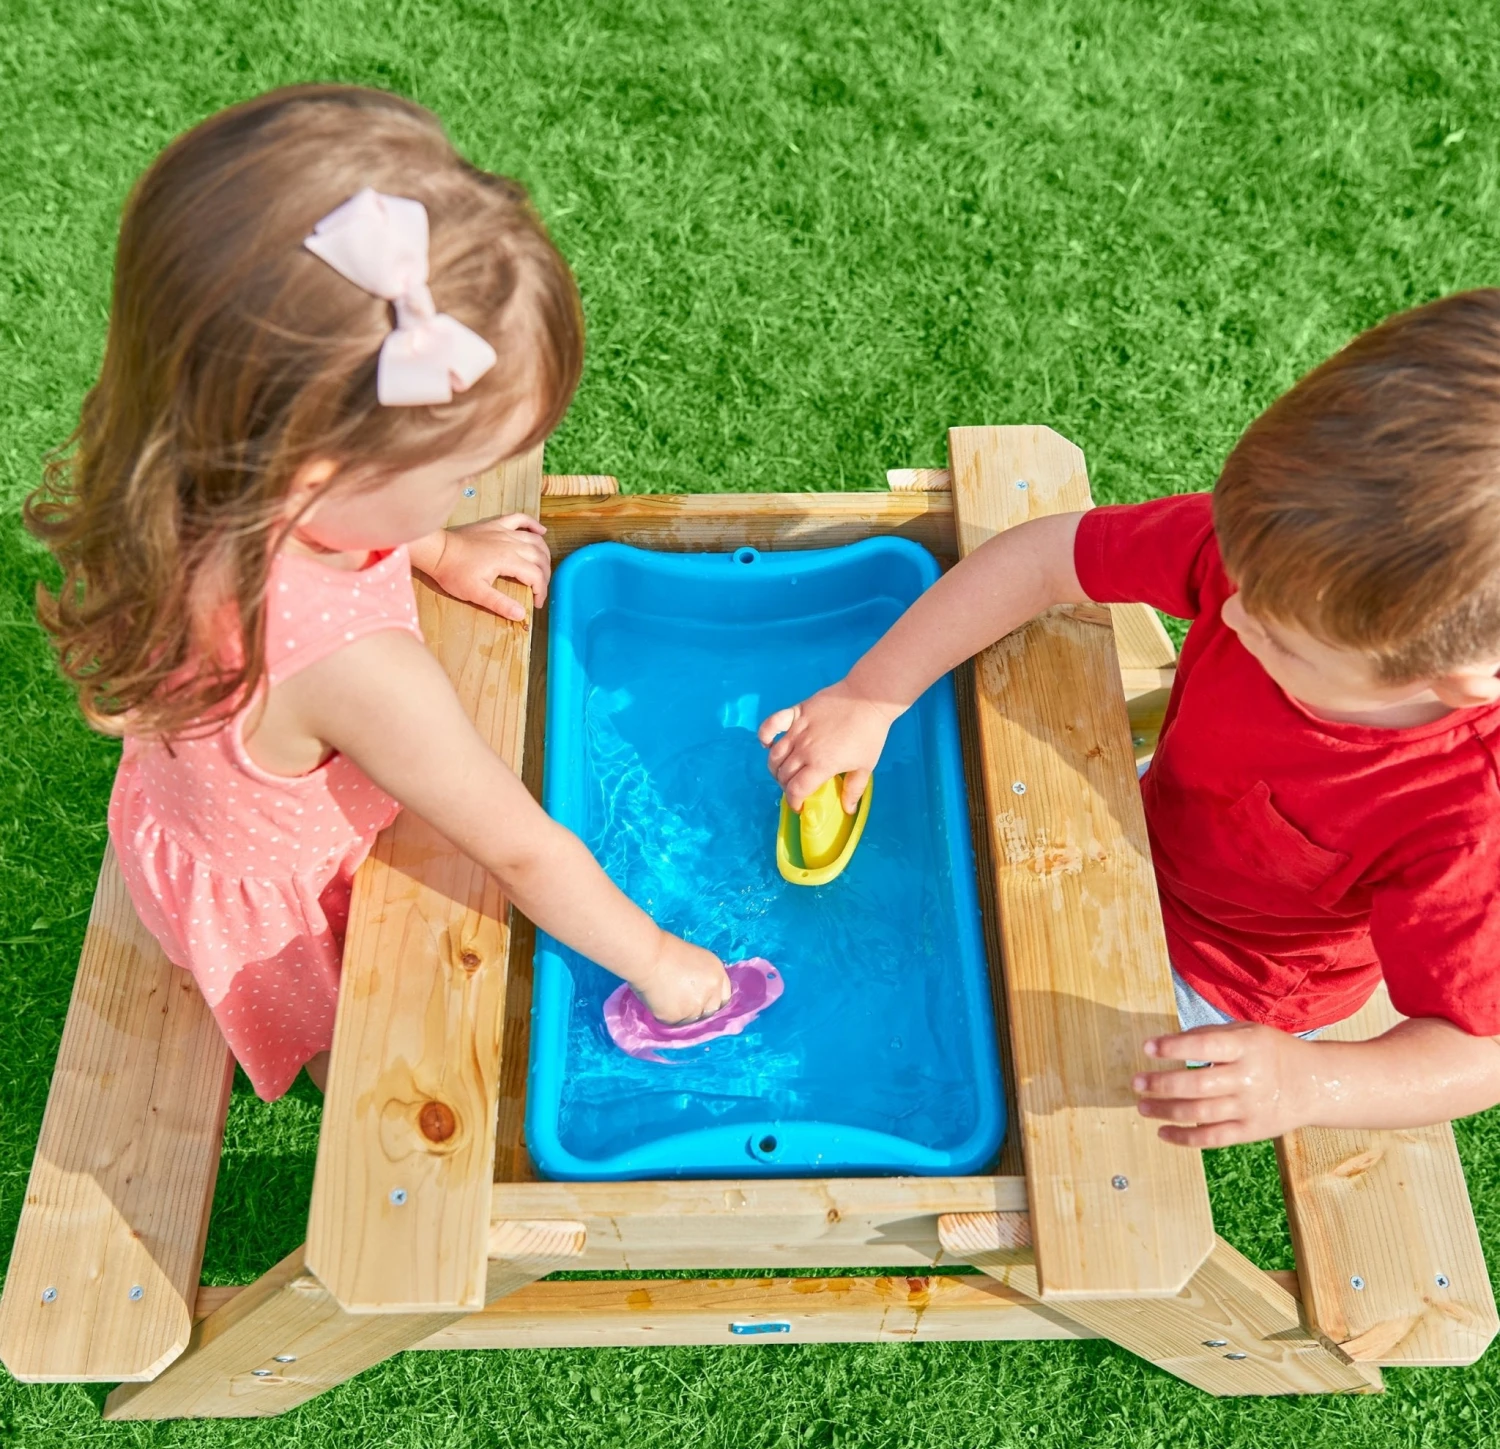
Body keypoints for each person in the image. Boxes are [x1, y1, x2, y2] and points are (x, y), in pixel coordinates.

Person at [25, 85, 728, 1102]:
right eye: (458, 478)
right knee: (375, 1067)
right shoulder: (359, 671)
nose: (474, 490)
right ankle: (333, 1090)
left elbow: (342, 521)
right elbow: (520, 850)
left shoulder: (192, 463)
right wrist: (663, 963)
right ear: (317, 474)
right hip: (290, 919)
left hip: (182, 828)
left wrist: (434, 543)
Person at [760, 289, 1500, 1148]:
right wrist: (873, 694)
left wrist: (1312, 1081)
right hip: (1146, 819)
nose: (1228, 616)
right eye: (1239, 580)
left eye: (1282, 646)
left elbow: (1478, 1049)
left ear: (1461, 681)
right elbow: (1045, 558)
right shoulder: (1281, 560)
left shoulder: (1468, 821)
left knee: (965, 1071)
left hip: (1221, 983)